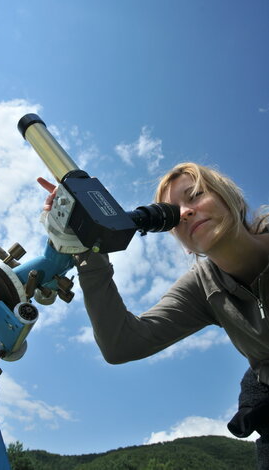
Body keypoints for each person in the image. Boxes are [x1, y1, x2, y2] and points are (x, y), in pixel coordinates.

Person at [38, 162, 269, 469]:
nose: (185, 212)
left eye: (196, 195)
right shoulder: (202, 286)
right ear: (184, 245)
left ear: (232, 198)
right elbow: (122, 344)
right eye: (173, 215)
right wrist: (86, 248)